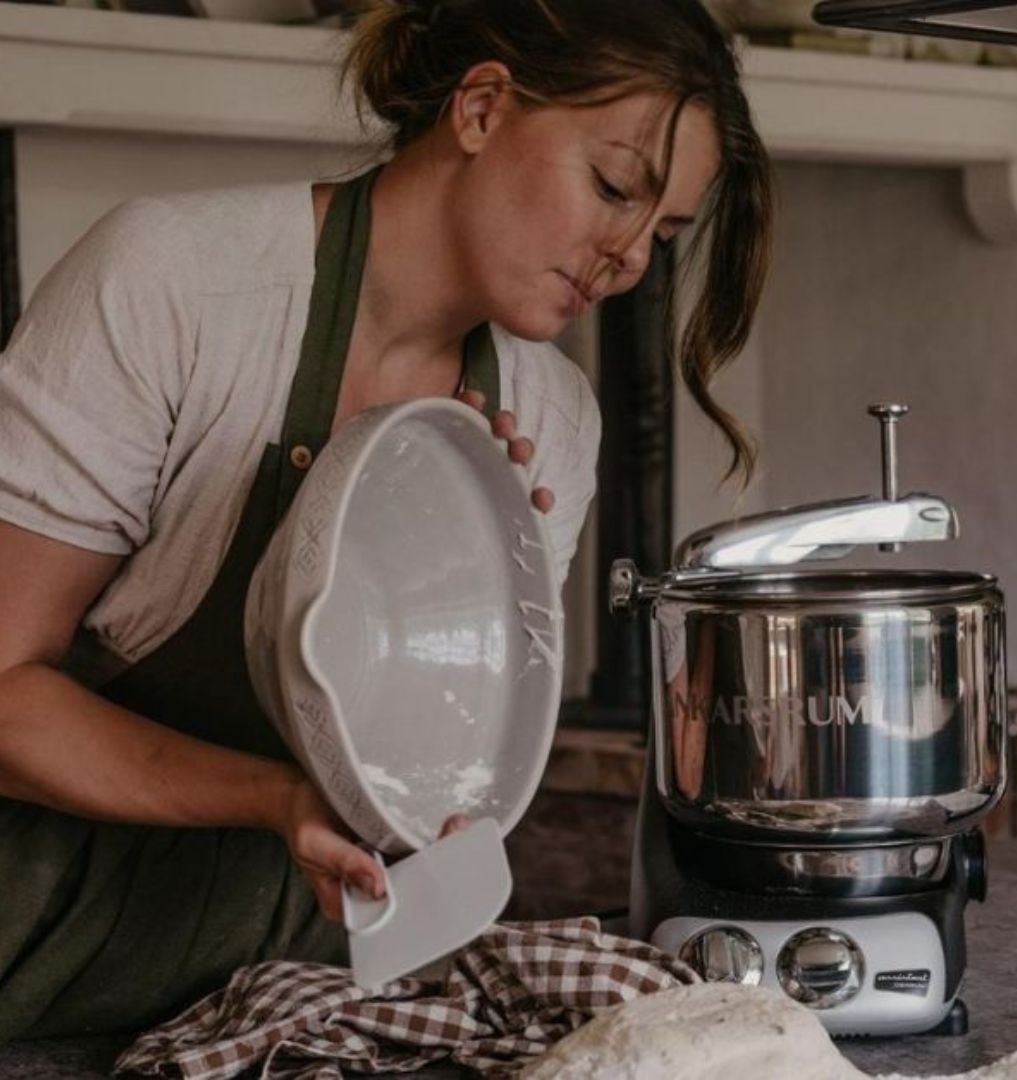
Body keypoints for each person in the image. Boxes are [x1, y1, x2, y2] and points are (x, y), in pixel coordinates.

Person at [0, 0, 772, 1040]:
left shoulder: (550, 418)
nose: (629, 256)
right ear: (483, 109)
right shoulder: (175, 285)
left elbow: (441, 813)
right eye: (614, 187)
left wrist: (463, 654)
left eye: (664, 232)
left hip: (279, 984)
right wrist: (274, 796)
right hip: (37, 935)